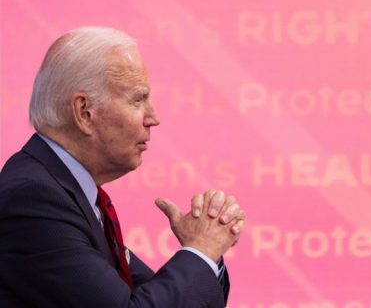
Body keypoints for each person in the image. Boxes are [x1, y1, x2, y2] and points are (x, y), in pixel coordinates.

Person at [0, 27, 245, 307]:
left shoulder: (68, 193)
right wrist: (202, 248)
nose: (153, 118)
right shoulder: (34, 199)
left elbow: (161, 298)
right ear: (84, 112)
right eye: (138, 99)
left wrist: (206, 252)